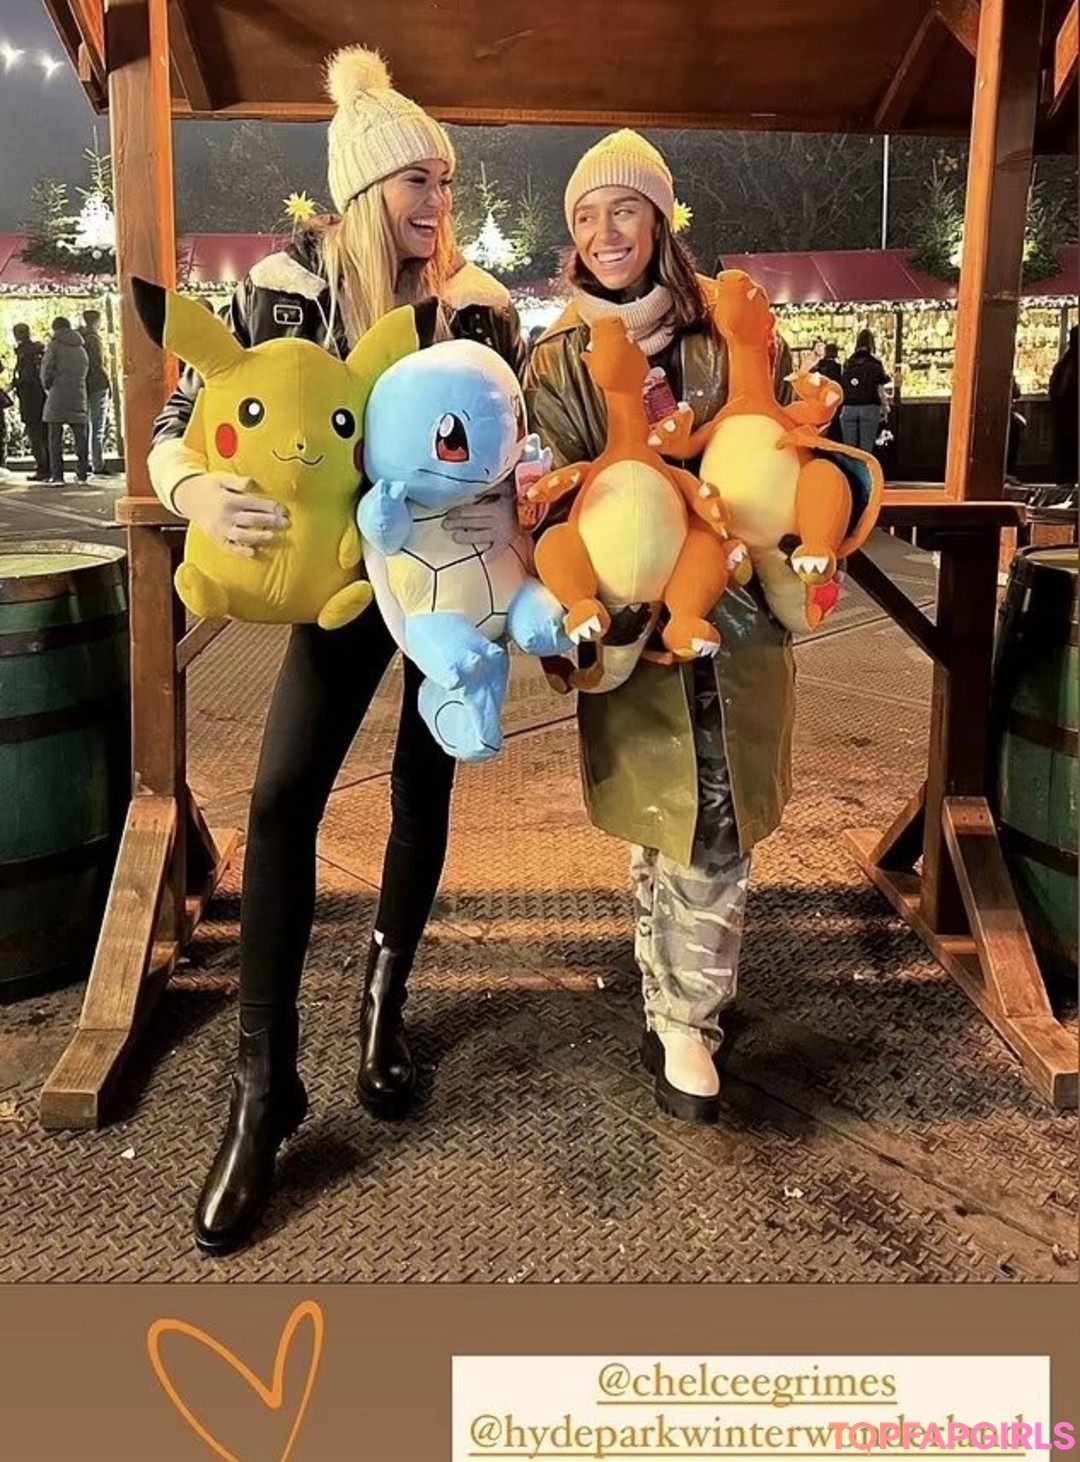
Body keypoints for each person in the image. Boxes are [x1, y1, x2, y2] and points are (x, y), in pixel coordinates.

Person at [146, 45, 526, 1256]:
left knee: (424, 783)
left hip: (446, 579)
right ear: (363, 188)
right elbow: (178, 420)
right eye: (416, 180)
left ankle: (383, 1001)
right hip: (340, 586)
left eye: (446, 181)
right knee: (279, 802)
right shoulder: (280, 288)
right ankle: (264, 1088)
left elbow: (515, 447)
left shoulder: (480, 305)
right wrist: (196, 489)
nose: (437, 201)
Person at [525, 130, 798, 1126]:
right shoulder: (555, 354)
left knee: (713, 814)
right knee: (661, 814)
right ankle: (671, 996)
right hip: (629, 618)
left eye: (625, 210)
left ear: (660, 219)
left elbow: (776, 445)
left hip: (731, 612)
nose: (606, 233)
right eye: (587, 216)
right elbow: (549, 487)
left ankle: (688, 1019)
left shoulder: (728, 325)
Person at [41, 317, 91, 485]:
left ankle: (57, 476)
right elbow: (86, 372)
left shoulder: (54, 346)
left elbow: (46, 370)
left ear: (55, 329)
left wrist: (47, 386)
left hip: (57, 394)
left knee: (55, 438)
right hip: (78, 394)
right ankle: (82, 474)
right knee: (80, 436)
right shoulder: (81, 349)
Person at [839, 328, 890, 454]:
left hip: (848, 408)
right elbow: (880, 388)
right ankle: (865, 467)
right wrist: (885, 408)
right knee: (866, 453)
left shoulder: (848, 363)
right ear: (871, 344)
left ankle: (851, 468)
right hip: (869, 407)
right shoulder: (875, 363)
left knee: (850, 452)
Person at [12, 323, 50, 482]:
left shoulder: (25, 354)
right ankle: (50, 466)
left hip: (30, 399)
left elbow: (26, 378)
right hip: (42, 397)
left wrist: (16, 384)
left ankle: (42, 468)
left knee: (35, 434)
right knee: (45, 433)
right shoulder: (39, 351)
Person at [80, 308, 114, 475]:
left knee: (85, 426)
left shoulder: (79, 339)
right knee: (97, 427)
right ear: (97, 321)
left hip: (83, 386)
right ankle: (98, 464)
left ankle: (85, 461)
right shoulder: (94, 339)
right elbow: (99, 365)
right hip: (98, 386)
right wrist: (108, 384)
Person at [1048, 325, 1078, 490]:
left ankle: (1066, 481)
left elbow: (1056, 389)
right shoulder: (1068, 364)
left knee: (1067, 451)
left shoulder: (1064, 364)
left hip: (1065, 417)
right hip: (1069, 417)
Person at [813, 342, 845, 443]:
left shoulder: (817, 367)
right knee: (833, 428)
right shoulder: (837, 367)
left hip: (818, 401)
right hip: (832, 401)